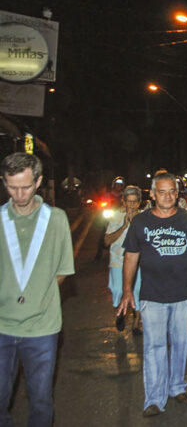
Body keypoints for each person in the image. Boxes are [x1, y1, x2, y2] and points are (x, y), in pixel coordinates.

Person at [116, 171, 187, 418]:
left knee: (181, 343)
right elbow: (130, 257)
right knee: (154, 346)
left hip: (184, 294)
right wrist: (127, 290)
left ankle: (177, 386)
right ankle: (154, 399)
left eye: (172, 191)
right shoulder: (140, 222)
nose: (168, 196)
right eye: (162, 191)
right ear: (153, 194)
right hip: (152, 295)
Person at [0, 153, 74, 426]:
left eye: (26, 186)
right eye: (11, 186)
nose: (19, 194)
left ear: (39, 181)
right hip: (2, 327)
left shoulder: (56, 219)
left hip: (43, 328)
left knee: (40, 400)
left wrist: (36, 297)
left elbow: (63, 272)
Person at [105, 185, 143, 334]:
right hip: (117, 260)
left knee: (138, 290)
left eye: (135, 202)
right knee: (118, 290)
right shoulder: (115, 216)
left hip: (138, 261)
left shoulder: (143, 218)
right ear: (123, 202)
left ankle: (136, 323)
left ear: (139, 202)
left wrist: (135, 224)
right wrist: (124, 226)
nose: (132, 205)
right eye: (129, 201)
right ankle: (121, 312)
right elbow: (107, 240)